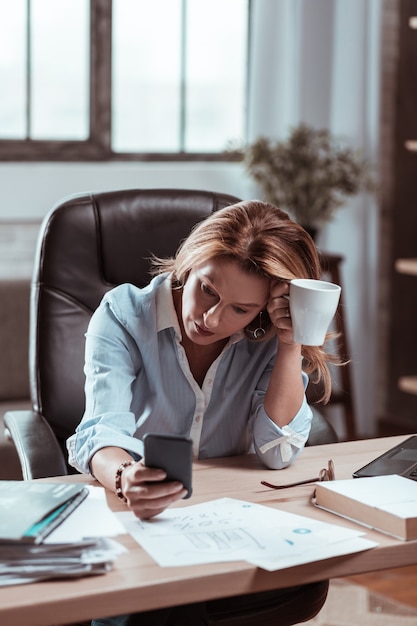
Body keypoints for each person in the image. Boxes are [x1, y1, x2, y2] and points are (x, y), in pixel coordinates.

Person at [67, 200, 334, 626]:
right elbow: (102, 431)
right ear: (190, 262)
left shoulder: (267, 341)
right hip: (143, 519)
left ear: (264, 308)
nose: (211, 317)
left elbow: (277, 452)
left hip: (231, 522)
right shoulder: (123, 315)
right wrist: (123, 476)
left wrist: (290, 343)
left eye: (241, 309)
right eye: (208, 289)